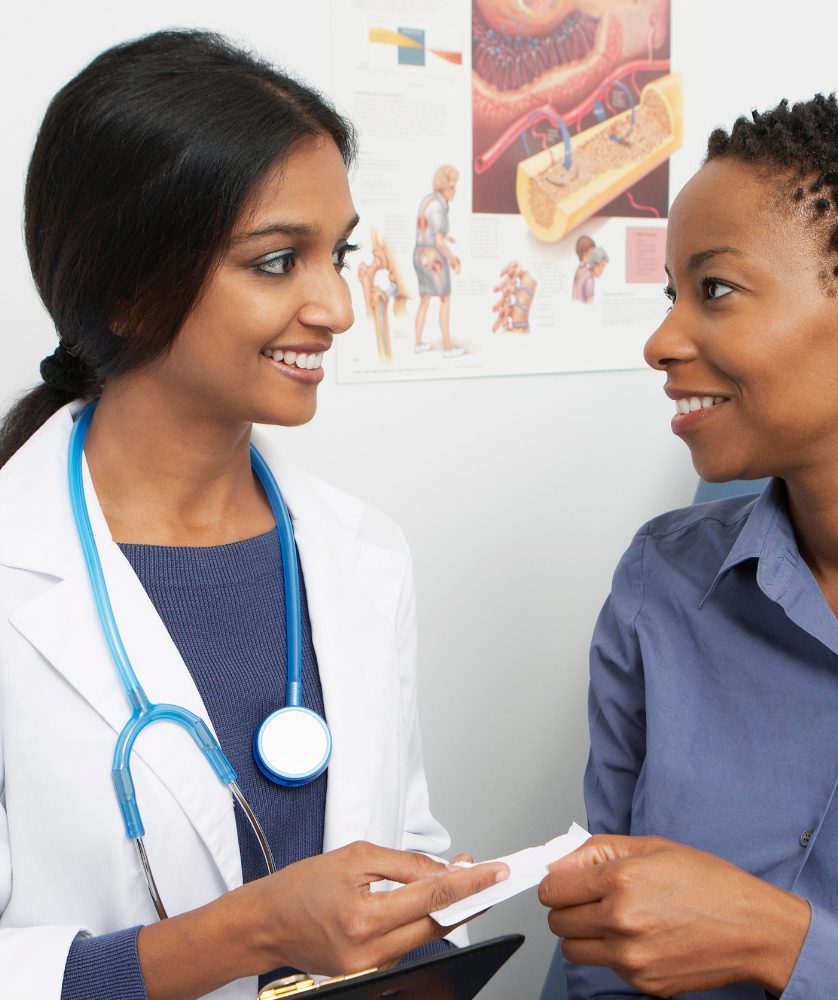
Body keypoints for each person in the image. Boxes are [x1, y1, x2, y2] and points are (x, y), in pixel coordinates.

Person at [0, 31, 508, 1000]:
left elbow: (399, 856)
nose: (337, 306)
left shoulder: (361, 551)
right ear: (130, 285)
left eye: (339, 254)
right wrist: (253, 930)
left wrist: (435, 929)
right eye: (278, 261)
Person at [538, 94, 838, 999]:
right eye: (672, 294)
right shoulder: (661, 584)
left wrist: (782, 944)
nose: (662, 341)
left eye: (715, 290)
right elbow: (600, 947)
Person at [414, 166, 464, 358]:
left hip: (419, 254)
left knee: (425, 299)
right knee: (445, 299)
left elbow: (431, 232)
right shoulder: (438, 207)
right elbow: (438, 242)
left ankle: (418, 343)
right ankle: (448, 347)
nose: (455, 190)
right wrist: (453, 260)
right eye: (452, 187)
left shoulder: (429, 200)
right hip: (433, 257)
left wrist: (443, 237)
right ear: (443, 188)